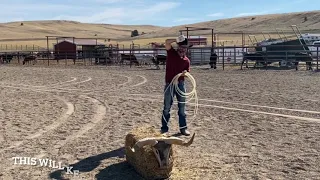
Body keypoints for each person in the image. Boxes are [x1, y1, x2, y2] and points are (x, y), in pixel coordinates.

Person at [160, 35, 191, 136]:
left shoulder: (187, 61)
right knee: (167, 107)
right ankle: (164, 128)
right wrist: (177, 39)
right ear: (178, 47)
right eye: (181, 47)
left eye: (184, 47)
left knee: (182, 108)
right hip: (170, 84)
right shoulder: (171, 53)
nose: (183, 49)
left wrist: (184, 73)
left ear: (186, 49)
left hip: (180, 85)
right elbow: (167, 42)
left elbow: (187, 73)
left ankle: (183, 128)